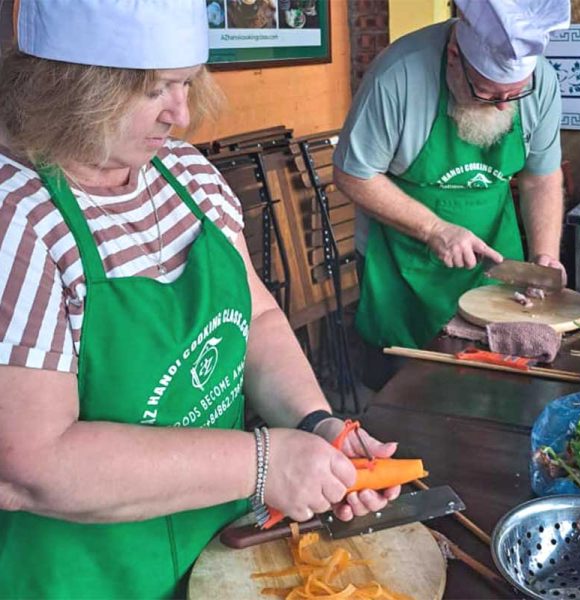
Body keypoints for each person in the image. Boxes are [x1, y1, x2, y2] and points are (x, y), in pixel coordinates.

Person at [0, 1, 398, 598]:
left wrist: (317, 426)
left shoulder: (186, 175)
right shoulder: (18, 218)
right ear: (73, 86)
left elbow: (258, 317)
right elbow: (30, 465)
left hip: (223, 554)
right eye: (156, 89)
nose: (181, 115)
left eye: (187, 83)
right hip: (88, 578)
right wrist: (263, 464)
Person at [333, 0, 571, 354]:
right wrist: (436, 230)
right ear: (455, 56)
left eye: (514, 94)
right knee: (409, 385)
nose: (505, 106)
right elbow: (353, 174)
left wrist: (545, 257)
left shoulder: (542, 83)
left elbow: (541, 176)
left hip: (495, 258)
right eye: (488, 93)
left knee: (501, 375)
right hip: (403, 264)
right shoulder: (397, 77)